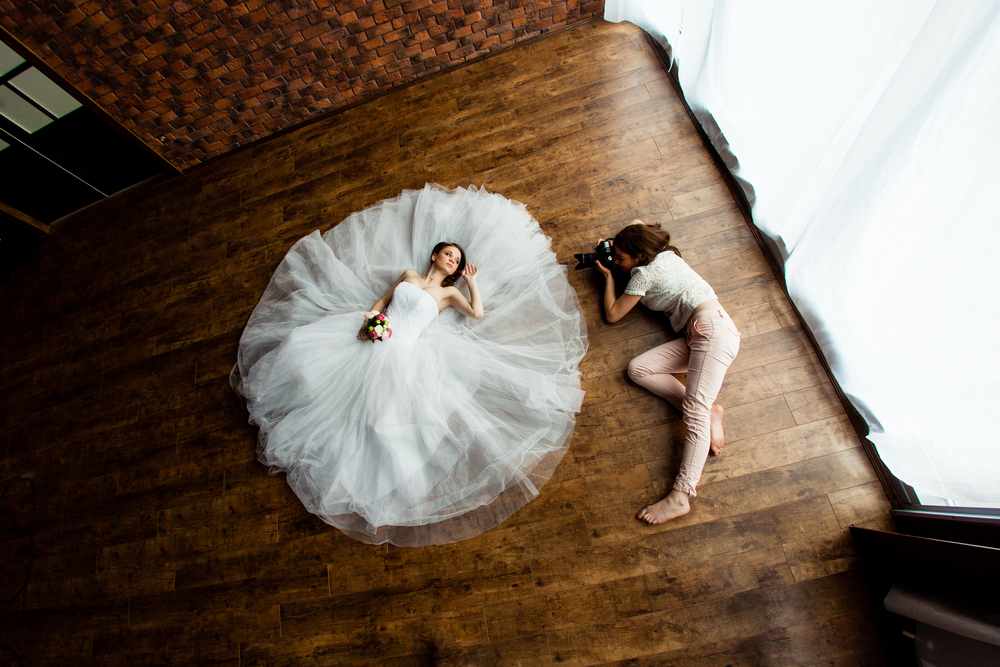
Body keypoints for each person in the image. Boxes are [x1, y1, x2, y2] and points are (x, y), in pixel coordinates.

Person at [231, 184, 587, 547]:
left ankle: (368, 473)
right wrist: (371, 320)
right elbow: (380, 302)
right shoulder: (407, 276)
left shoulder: (449, 294)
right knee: (313, 367)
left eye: (457, 261)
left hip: (403, 353)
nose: (453, 261)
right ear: (434, 255)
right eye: (449, 255)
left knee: (380, 418)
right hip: (374, 336)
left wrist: (472, 282)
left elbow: (478, 313)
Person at [594, 221, 740, 524]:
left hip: (710, 333)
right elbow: (637, 224)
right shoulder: (668, 254)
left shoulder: (644, 274)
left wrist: (609, 277)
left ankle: (680, 496)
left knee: (694, 412)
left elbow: (612, 314)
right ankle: (711, 412)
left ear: (638, 255)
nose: (618, 262)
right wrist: (617, 246)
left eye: (622, 257)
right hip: (703, 332)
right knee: (639, 369)